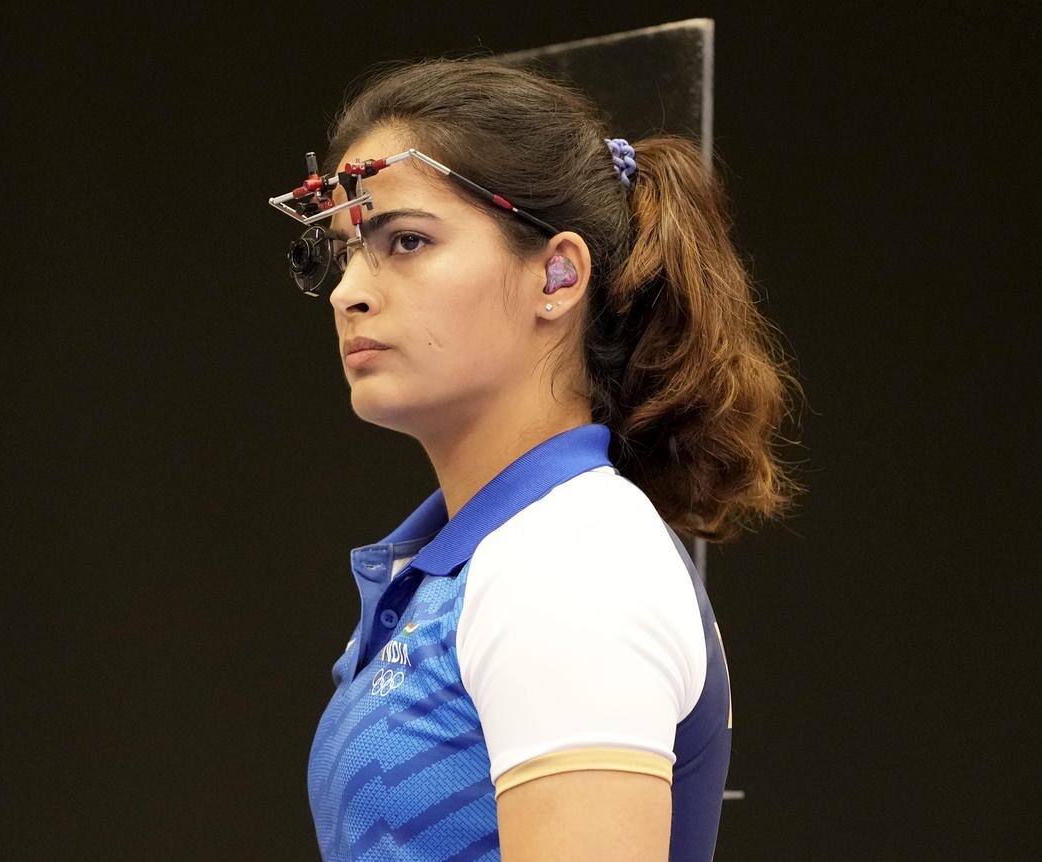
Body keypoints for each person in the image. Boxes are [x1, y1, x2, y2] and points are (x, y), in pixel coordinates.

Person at [298, 54, 804, 862]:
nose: (348, 290)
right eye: (346, 251)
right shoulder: (498, 555)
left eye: (407, 240)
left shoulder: (571, 561)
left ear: (559, 274)